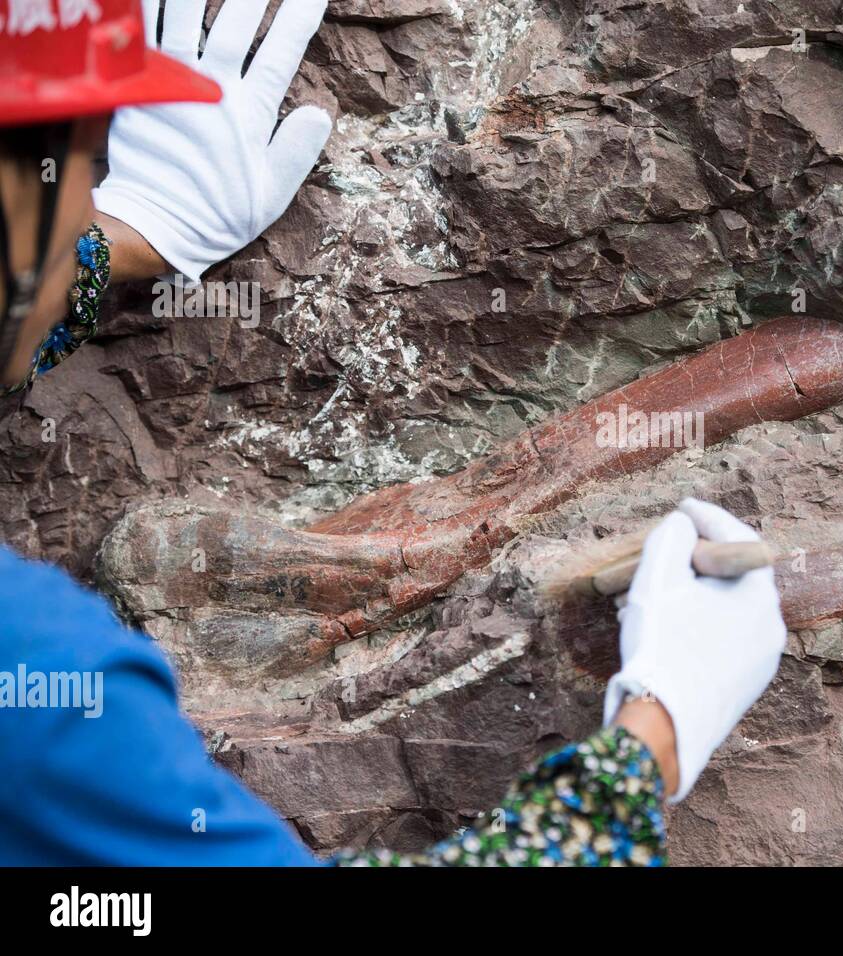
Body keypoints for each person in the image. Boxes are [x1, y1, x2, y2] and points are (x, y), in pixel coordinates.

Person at [0, 0, 788, 866]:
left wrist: (123, 238)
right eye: (80, 177)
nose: (84, 204)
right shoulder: (37, 674)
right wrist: (647, 749)